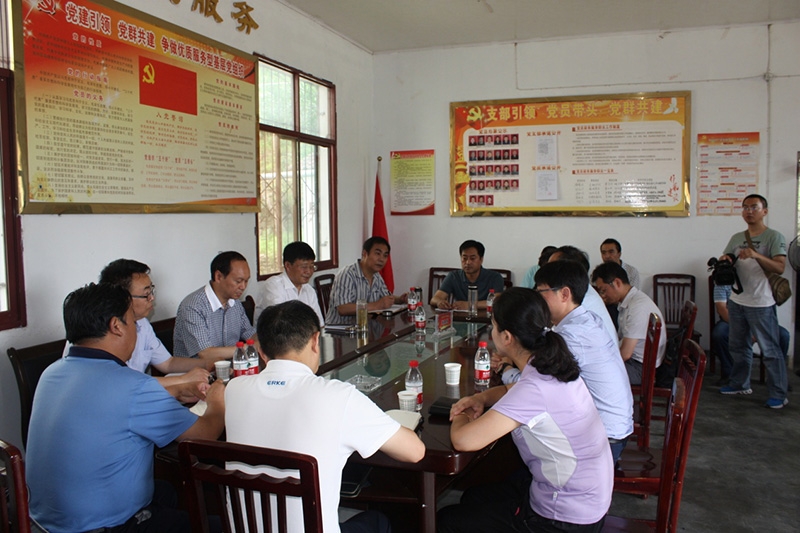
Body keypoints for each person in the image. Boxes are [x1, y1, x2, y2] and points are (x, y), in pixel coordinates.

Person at [27, 283, 225, 533]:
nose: (136, 329)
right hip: (103, 527)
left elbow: (107, 407)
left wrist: (171, 393)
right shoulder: (133, 386)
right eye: (133, 322)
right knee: (224, 525)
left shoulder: (51, 373)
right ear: (116, 326)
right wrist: (217, 399)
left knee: (165, 490)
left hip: (42, 523)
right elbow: (205, 434)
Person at [225, 300, 425, 532]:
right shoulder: (338, 396)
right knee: (379, 521)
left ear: (261, 352)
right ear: (315, 341)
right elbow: (415, 452)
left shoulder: (233, 390)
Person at [437, 288, 612, 532]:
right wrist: (481, 398)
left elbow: (463, 440)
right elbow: (512, 389)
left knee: (446, 520)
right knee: (474, 496)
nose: (492, 332)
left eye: (493, 326)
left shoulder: (535, 389)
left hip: (564, 518)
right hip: (587, 496)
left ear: (507, 337)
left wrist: (462, 411)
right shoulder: (552, 364)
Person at [495, 261, 633, 463]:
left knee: (518, 437)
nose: (537, 299)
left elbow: (537, 386)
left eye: (541, 292)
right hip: (612, 427)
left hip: (603, 439)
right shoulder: (586, 320)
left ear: (565, 294)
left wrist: (506, 369)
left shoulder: (573, 336)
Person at [62, 259, 212, 395]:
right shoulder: (92, 336)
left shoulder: (142, 323)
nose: (152, 298)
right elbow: (123, 383)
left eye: (151, 291)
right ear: (122, 298)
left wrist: (208, 364)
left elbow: (167, 363)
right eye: (146, 294)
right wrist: (183, 380)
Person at [718, 194, 789, 408]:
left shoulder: (773, 237)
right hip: (737, 300)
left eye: (754, 207)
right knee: (738, 346)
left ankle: (779, 393)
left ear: (764, 211)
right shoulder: (737, 237)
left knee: (770, 350)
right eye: (745, 207)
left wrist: (756, 255)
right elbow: (728, 258)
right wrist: (725, 259)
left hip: (762, 302)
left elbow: (780, 267)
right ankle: (740, 383)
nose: (749, 211)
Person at [591, 262, 666, 385]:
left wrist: (598, 363)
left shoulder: (638, 307)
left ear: (617, 283)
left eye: (604, 290)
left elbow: (625, 354)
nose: (602, 296)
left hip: (640, 368)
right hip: (636, 362)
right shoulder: (629, 301)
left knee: (590, 374)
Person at [173, 251, 256, 360]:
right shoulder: (193, 306)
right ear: (218, 276)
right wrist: (247, 348)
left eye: (246, 281)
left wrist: (265, 342)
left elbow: (249, 333)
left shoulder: (235, 303)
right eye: (238, 281)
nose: (243, 287)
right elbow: (205, 353)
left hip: (230, 366)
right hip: (196, 369)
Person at [712, 280, 791, 386]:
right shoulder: (724, 278)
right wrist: (741, 329)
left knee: (784, 336)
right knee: (719, 334)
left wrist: (755, 331)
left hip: (760, 322)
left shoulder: (760, 281)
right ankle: (729, 374)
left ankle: (777, 379)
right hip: (731, 321)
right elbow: (721, 309)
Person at [325, 236, 406, 324]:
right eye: (377, 253)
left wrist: (400, 299)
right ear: (364, 254)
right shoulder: (347, 274)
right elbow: (342, 308)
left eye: (385, 255)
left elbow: (385, 297)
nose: (381, 259)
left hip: (365, 326)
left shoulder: (376, 276)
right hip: (340, 329)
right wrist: (376, 305)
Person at [255, 241, 324, 325]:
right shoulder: (273, 287)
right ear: (287, 265)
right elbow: (282, 325)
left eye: (312, 266)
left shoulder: (309, 290)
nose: (309, 271)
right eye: (304, 267)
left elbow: (318, 324)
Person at [430, 239, 505, 310]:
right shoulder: (453, 276)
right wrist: (440, 302)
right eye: (464, 258)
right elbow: (435, 299)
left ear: (481, 259)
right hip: (460, 317)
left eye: (472, 258)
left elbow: (497, 301)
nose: (468, 262)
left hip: (486, 317)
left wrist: (470, 304)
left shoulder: (495, 277)